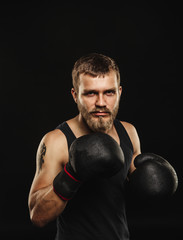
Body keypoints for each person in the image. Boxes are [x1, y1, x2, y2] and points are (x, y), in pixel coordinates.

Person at [28, 53, 177, 240]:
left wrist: (154, 179)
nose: (101, 103)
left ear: (119, 92)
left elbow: (136, 188)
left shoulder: (128, 132)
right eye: (91, 93)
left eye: (109, 92)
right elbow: (38, 216)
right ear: (75, 95)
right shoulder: (56, 141)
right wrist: (72, 174)